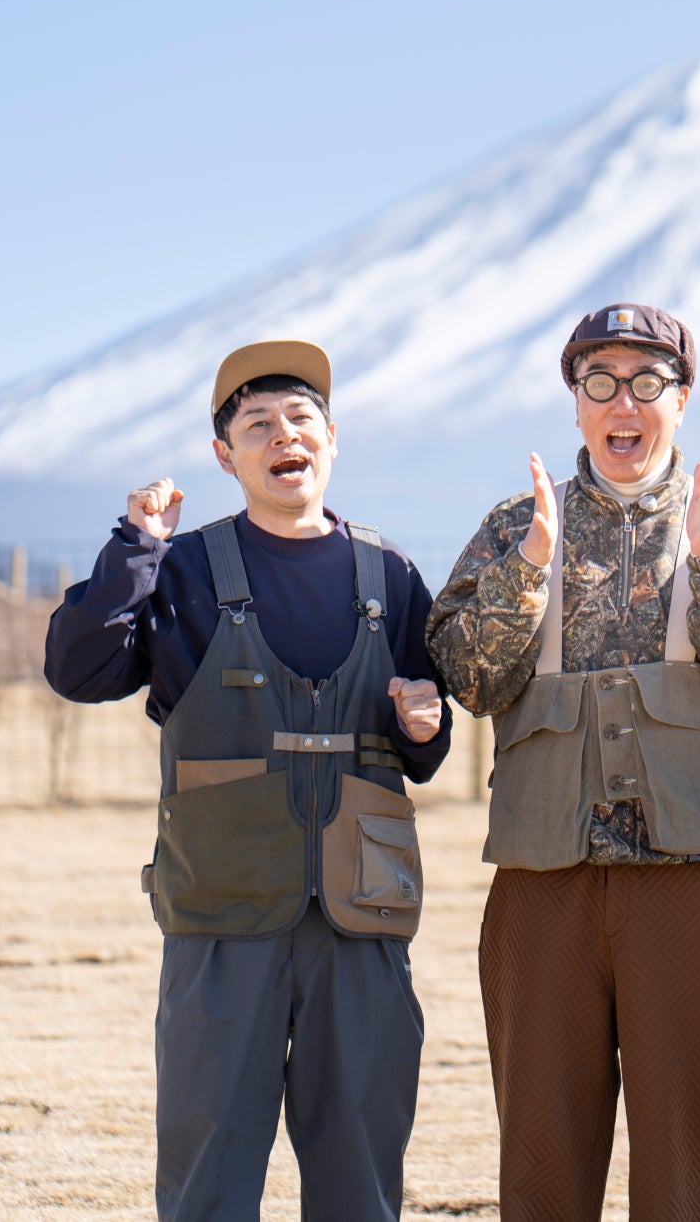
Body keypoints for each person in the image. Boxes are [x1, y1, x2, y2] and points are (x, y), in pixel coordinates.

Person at [426, 302, 700, 1221]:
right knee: (540, 1165)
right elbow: (470, 679)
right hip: (543, 890)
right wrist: (530, 564)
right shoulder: (511, 526)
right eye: (599, 382)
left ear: (683, 400)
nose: (624, 402)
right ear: (575, 405)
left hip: (691, 887)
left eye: (649, 382)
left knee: (686, 1169)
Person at [43, 340, 451, 1220]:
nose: (282, 436)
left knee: (362, 1175)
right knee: (208, 1175)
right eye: (256, 424)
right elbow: (76, 671)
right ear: (226, 456)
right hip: (222, 915)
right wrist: (134, 548)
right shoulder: (179, 570)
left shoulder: (393, 575)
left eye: (300, 418)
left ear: (332, 439)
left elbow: (422, 738)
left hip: (363, 916)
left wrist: (429, 722)